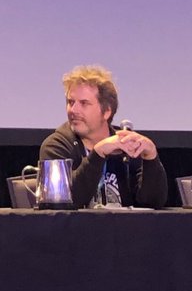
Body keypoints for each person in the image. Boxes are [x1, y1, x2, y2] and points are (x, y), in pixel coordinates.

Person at [39, 65, 167, 208]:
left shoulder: (126, 144)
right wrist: (98, 153)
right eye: (70, 102)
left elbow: (152, 203)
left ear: (106, 111)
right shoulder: (56, 146)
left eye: (84, 103)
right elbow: (60, 203)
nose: (73, 110)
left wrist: (151, 157)